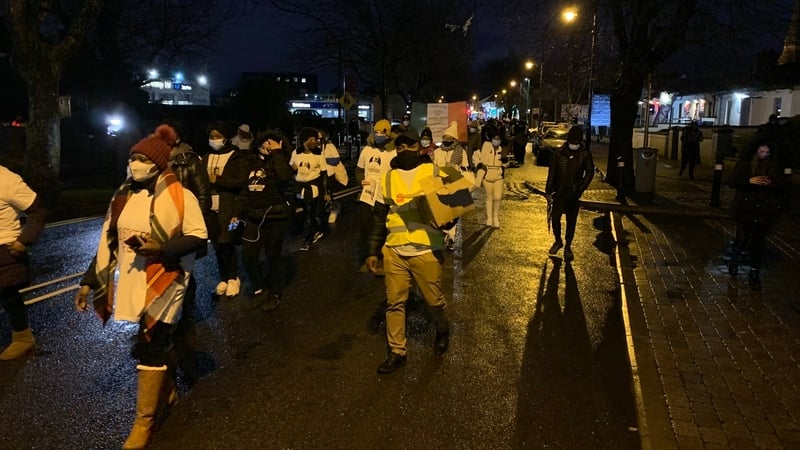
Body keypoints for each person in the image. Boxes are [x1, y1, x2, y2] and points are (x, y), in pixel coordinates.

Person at [74, 125, 207, 449]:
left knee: (150, 342)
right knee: (155, 341)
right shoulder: (122, 196)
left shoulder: (182, 196)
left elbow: (198, 235)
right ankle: (168, 390)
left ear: (158, 164)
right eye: (132, 157)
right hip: (135, 281)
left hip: (168, 280)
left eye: (141, 158)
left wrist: (161, 248)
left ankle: (144, 423)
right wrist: (89, 282)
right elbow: (110, 240)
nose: (134, 164)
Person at [365, 133, 451, 374]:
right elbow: (379, 217)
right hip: (394, 250)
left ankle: (442, 328)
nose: (404, 150)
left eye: (409, 145)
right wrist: (372, 251)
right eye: (399, 146)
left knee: (433, 301)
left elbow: (452, 208)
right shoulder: (388, 177)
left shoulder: (433, 172)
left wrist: (445, 222)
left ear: (418, 147)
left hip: (425, 249)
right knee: (394, 302)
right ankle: (397, 351)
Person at [236, 131, 295, 310]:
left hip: (276, 216)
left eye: (273, 144)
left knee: (273, 256)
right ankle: (259, 287)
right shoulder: (251, 162)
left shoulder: (282, 161)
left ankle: (275, 291)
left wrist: (277, 153)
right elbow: (245, 189)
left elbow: (285, 177)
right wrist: (238, 212)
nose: (267, 147)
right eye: (265, 143)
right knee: (248, 255)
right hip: (253, 217)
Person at [0, 165, 46, 360]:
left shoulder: (6, 179)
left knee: (7, 295)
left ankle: (23, 338)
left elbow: (38, 211)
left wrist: (23, 240)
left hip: (3, 248)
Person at [728, 142, 788, 290]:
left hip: (764, 210)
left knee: (758, 243)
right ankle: (734, 262)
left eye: (767, 153)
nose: (764, 155)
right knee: (742, 238)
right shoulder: (746, 165)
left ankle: (754, 273)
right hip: (746, 208)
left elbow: (783, 186)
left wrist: (772, 183)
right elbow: (733, 181)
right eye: (761, 151)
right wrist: (749, 181)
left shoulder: (775, 167)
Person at [205, 122, 249, 297]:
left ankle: (233, 277)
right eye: (212, 136)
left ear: (225, 137)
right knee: (217, 244)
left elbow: (240, 182)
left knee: (228, 241)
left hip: (230, 211)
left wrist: (217, 180)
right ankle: (223, 278)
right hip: (211, 209)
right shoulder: (206, 156)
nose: (214, 140)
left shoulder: (236, 157)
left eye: (218, 136)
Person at [545, 126, 594, 262]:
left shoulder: (584, 154)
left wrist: (580, 188)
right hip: (559, 192)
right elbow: (552, 172)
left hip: (573, 193)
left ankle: (568, 246)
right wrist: (548, 191)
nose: (574, 144)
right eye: (572, 142)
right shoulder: (558, 153)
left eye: (576, 142)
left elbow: (590, 172)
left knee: (571, 221)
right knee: (555, 218)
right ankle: (558, 241)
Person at [355, 119, 397, 263]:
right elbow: (359, 170)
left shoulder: (394, 152)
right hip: (367, 195)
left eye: (382, 133)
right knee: (365, 225)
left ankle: (382, 256)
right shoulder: (367, 150)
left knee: (383, 227)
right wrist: (361, 181)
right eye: (376, 132)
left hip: (385, 196)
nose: (379, 135)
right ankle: (368, 255)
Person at [290, 127, 330, 251]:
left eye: (314, 139)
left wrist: (326, 192)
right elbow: (292, 166)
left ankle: (307, 238)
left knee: (310, 212)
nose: (313, 142)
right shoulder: (296, 153)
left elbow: (324, 173)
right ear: (303, 141)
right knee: (301, 213)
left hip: (313, 188)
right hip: (299, 188)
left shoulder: (319, 155)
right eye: (310, 139)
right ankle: (308, 231)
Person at [432, 121, 467, 251]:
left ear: (454, 139)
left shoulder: (460, 152)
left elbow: (466, 168)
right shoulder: (437, 152)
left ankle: (451, 237)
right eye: (445, 137)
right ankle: (443, 235)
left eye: (449, 138)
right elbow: (432, 168)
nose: (446, 140)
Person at [472, 122, 509, 228]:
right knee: (489, 197)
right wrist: (479, 166)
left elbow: (506, 165)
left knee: (497, 197)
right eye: (494, 138)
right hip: (487, 176)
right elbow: (477, 156)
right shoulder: (486, 147)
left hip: (498, 177)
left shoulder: (502, 149)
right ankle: (489, 218)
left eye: (498, 139)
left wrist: (505, 161)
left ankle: (496, 217)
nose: (496, 141)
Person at [319, 128, 348, 223]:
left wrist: (323, 160)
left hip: (328, 174)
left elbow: (335, 160)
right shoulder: (314, 147)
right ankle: (323, 212)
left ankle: (333, 210)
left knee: (328, 193)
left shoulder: (329, 146)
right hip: (317, 174)